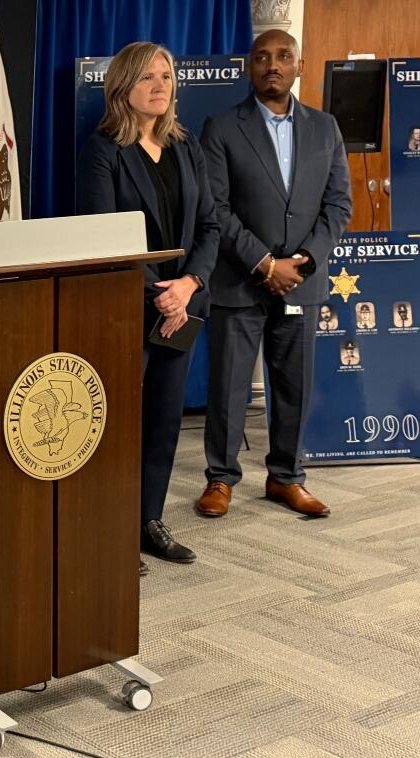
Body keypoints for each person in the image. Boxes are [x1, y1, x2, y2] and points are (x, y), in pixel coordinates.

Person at [196, 30, 352, 519]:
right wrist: (265, 263)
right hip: (240, 280)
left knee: (294, 386)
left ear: (299, 66)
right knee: (229, 387)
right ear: (250, 68)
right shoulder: (222, 127)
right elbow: (216, 209)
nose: (273, 65)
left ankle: (286, 478)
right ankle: (221, 479)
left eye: (284, 56)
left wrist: (302, 261)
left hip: (302, 282)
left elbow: (338, 205)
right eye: (262, 57)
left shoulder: (325, 127)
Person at [77, 42, 218, 573]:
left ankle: (148, 521)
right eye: (147, 77)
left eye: (166, 76)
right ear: (122, 86)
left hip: (182, 305)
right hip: (126, 307)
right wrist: (161, 293)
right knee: (116, 423)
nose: (160, 86)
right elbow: (103, 237)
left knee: (163, 418)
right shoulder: (102, 151)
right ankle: (109, 530)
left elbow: (209, 226)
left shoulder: (186, 145)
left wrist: (189, 285)